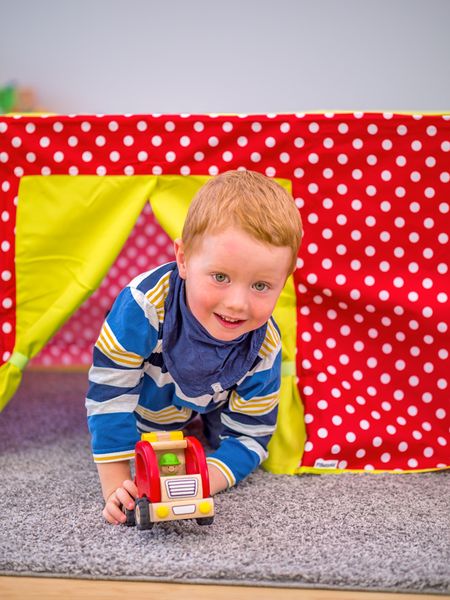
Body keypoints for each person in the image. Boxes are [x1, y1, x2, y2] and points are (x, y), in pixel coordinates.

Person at [86, 169, 302, 524]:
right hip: (146, 404)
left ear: (283, 281)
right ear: (183, 260)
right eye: (220, 277)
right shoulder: (142, 306)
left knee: (220, 441)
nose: (237, 304)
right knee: (141, 426)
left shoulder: (265, 343)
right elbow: (110, 392)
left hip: (210, 403)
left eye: (261, 286)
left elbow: (251, 434)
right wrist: (117, 483)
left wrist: (204, 479)